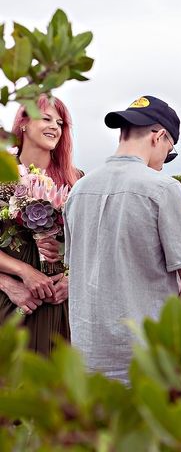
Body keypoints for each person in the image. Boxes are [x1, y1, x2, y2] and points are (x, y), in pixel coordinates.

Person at [64, 95, 181, 382]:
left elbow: (76, 272)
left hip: (86, 359)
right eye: (169, 151)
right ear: (159, 137)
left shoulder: (78, 190)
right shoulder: (164, 189)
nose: (164, 163)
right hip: (144, 362)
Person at [0, 94, 82, 355]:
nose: (55, 127)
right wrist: (18, 276)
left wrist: (72, 281)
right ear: (23, 123)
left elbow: (91, 243)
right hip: (12, 299)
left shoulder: (77, 179)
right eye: (46, 118)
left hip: (61, 302)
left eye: (60, 123)